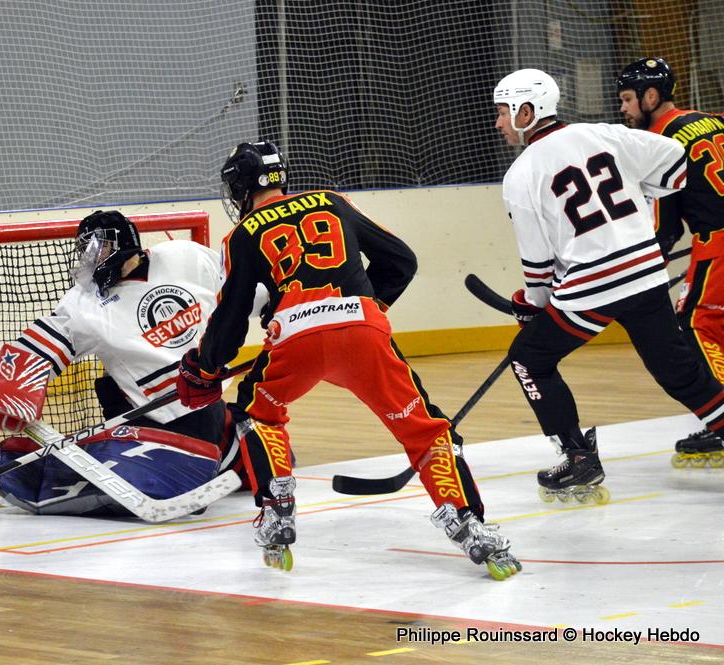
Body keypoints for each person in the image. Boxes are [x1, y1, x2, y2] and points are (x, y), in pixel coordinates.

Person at [176, 140, 521, 579]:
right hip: (363, 330)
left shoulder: (241, 235)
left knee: (255, 413)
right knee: (425, 429)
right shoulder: (334, 202)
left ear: (241, 187)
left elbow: (230, 316)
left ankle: (277, 507)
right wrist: (367, 307)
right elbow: (402, 262)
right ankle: (470, 523)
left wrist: (205, 366)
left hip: (295, 335)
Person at [492, 68, 724, 503]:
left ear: (527, 110)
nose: (499, 122)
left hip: (594, 288)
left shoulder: (522, 174)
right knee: (678, 372)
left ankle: (578, 458)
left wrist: (533, 305)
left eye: (503, 112)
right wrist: (645, 191)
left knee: (528, 359)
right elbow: (676, 161)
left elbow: (538, 263)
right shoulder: (605, 134)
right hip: (645, 271)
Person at [0, 209, 247, 515]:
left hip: (205, 402)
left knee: (251, 451)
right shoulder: (86, 301)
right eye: (86, 250)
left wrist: (280, 314)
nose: (91, 257)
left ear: (121, 243)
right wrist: (14, 392)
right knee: (110, 387)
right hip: (149, 419)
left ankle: (216, 452)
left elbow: (242, 287)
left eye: (97, 247)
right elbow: (44, 343)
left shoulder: (184, 256)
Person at [617, 57, 724, 467]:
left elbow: (665, 230)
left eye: (628, 99)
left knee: (697, 323)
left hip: (717, 244)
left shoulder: (660, 142)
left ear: (651, 96)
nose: (623, 109)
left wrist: (641, 267)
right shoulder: (711, 119)